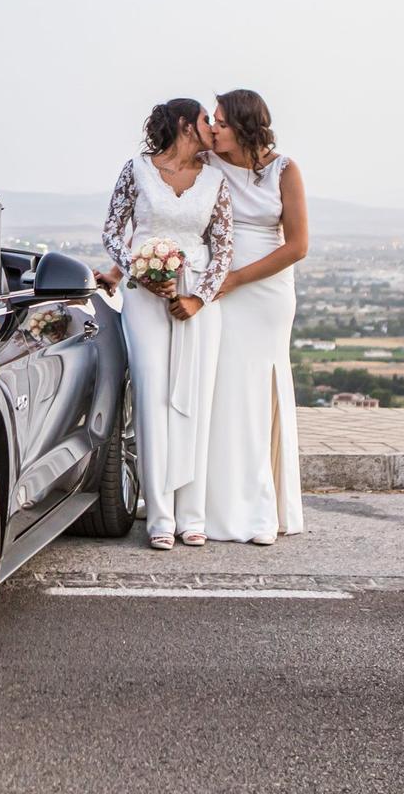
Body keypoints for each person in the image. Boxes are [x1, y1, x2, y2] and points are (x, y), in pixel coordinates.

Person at [98, 98, 234, 550]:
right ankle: (159, 516)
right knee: (152, 395)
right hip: (143, 298)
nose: (210, 128)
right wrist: (137, 271)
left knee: (195, 399)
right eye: (203, 120)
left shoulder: (215, 180)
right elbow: (113, 231)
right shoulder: (135, 169)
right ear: (183, 124)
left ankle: (191, 514)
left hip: (196, 297)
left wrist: (198, 297)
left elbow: (223, 247)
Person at [202, 88, 307, 542]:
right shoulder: (207, 165)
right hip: (218, 289)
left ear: (244, 126)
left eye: (222, 122)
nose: (213, 128)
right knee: (223, 389)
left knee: (258, 390)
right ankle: (213, 503)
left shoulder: (285, 170)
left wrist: (240, 277)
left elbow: (298, 245)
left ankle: (260, 503)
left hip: (265, 294)